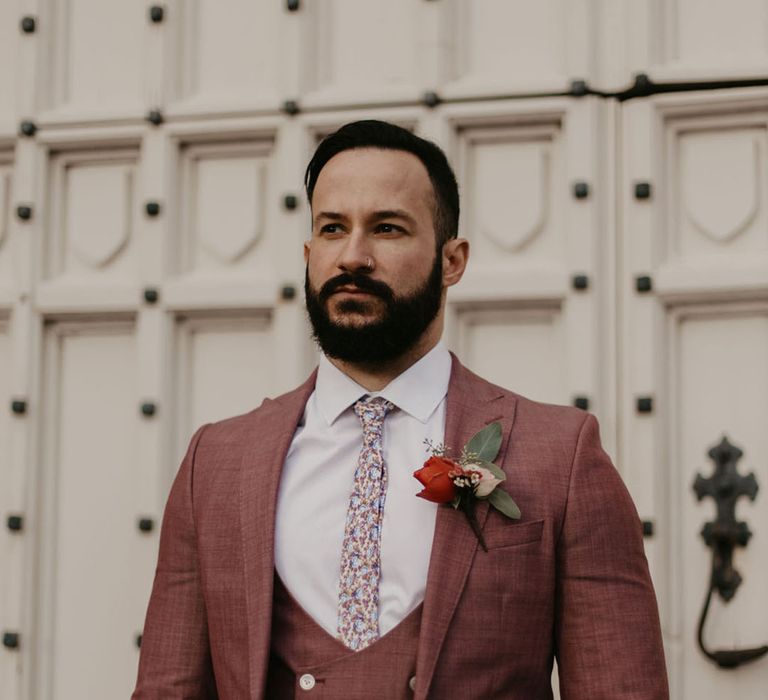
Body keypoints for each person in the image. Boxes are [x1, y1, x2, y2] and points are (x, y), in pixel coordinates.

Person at [133, 120, 668, 699]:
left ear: (453, 260)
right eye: (332, 229)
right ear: (309, 253)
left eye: (387, 228)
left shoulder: (562, 456)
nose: (353, 256)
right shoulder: (216, 462)